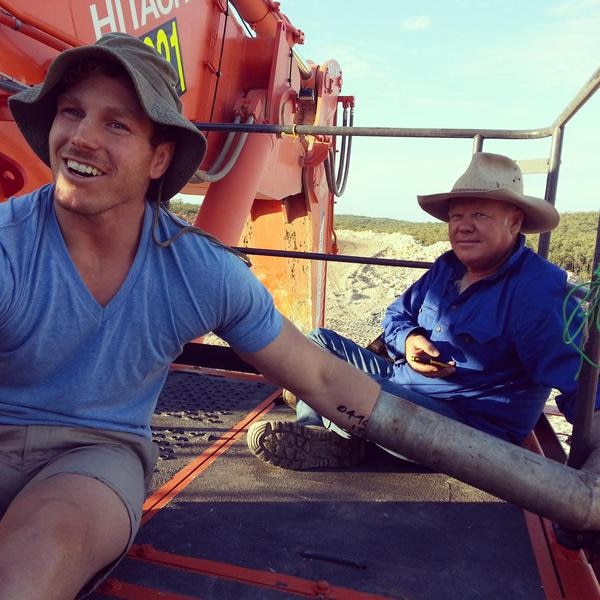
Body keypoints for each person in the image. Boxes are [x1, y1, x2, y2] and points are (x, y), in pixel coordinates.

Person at [0, 34, 382, 599]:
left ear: (159, 158)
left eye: (116, 124)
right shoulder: (8, 244)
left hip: (94, 458)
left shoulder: (199, 271)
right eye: (72, 113)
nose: (81, 137)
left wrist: (488, 459)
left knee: (40, 557)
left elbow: (321, 377)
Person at [247, 151, 599, 470]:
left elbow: (583, 383)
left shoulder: (538, 292)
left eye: (479, 214)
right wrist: (411, 340)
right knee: (316, 342)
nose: (463, 225)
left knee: (333, 380)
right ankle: (321, 430)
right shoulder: (447, 269)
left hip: (463, 426)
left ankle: (327, 420)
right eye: (457, 215)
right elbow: (395, 317)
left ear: (515, 222)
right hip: (400, 385)